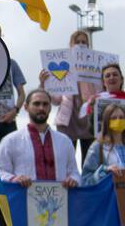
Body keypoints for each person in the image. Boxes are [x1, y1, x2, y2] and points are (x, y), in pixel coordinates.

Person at [0, 89, 81, 188]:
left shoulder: (64, 141)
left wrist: (73, 180)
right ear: (26, 107)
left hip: (59, 201)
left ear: (50, 108)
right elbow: (0, 172)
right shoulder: (10, 141)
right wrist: (14, 179)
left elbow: (74, 172)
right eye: (36, 104)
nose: (41, 108)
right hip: (22, 201)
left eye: (45, 104)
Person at [39, 28, 95, 161]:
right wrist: (44, 85)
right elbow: (55, 100)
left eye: (84, 42)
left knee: (89, 160)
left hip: (88, 120)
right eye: (77, 42)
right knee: (65, 159)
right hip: (67, 121)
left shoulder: (94, 68)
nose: (81, 45)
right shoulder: (62, 67)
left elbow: (100, 93)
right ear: (71, 45)